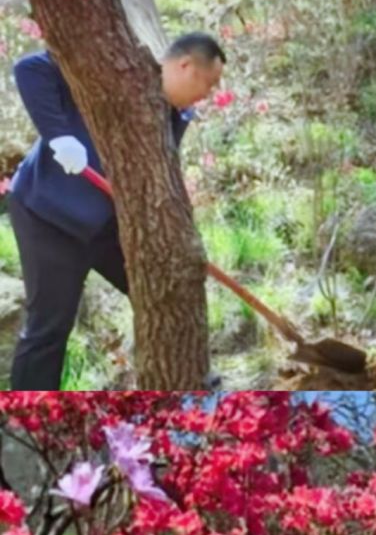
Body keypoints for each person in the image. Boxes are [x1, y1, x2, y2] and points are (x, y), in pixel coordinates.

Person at [7, 32, 226, 390]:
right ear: (185, 65)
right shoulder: (119, 70)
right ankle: (27, 421)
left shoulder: (174, 115)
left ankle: (185, 383)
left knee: (167, 292)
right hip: (48, 217)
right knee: (50, 328)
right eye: (210, 82)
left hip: (109, 227)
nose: (211, 93)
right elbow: (29, 68)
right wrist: (59, 136)